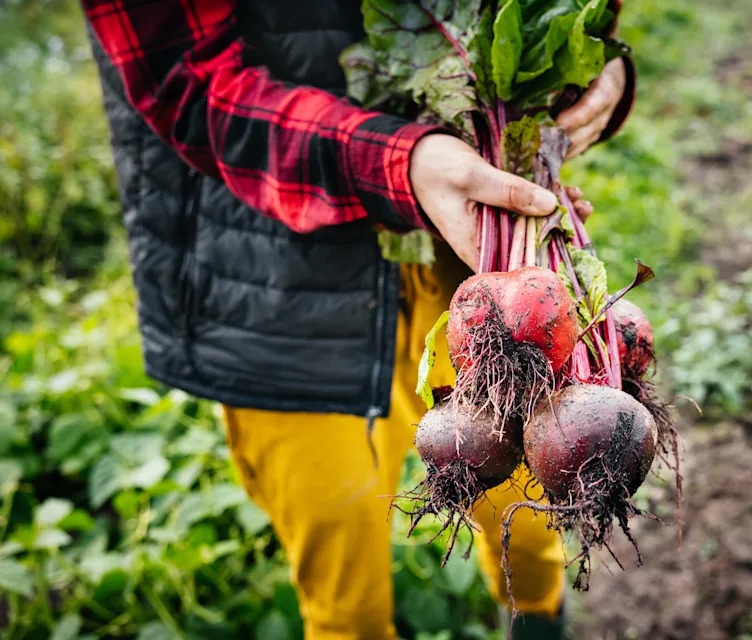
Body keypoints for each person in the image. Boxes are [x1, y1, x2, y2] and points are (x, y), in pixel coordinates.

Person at [82, 0, 634, 637]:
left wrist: (602, 67)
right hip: (274, 264)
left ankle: (538, 618)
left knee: (531, 490)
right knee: (337, 536)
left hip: (467, 242)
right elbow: (185, 77)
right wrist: (397, 163)